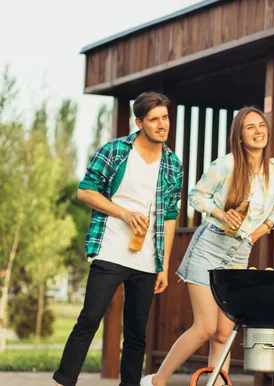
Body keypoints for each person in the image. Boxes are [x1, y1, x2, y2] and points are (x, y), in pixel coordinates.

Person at [141, 106, 274, 386]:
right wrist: (221, 214)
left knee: (224, 332)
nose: (258, 131)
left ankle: (215, 384)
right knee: (206, 326)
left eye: (261, 125)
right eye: (250, 127)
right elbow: (197, 197)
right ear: (239, 136)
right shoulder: (227, 164)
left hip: (240, 253)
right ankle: (157, 380)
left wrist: (264, 229)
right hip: (210, 245)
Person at [53, 92, 183, 386]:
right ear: (139, 122)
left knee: (137, 332)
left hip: (148, 256)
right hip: (111, 249)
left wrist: (163, 264)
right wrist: (123, 214)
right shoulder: (114, 151)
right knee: (89, 319)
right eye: (154, 119)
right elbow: (85, 191)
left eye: (165, 118)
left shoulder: (173, 164)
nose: (162, 125)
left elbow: (170, 215)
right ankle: (64, 381)